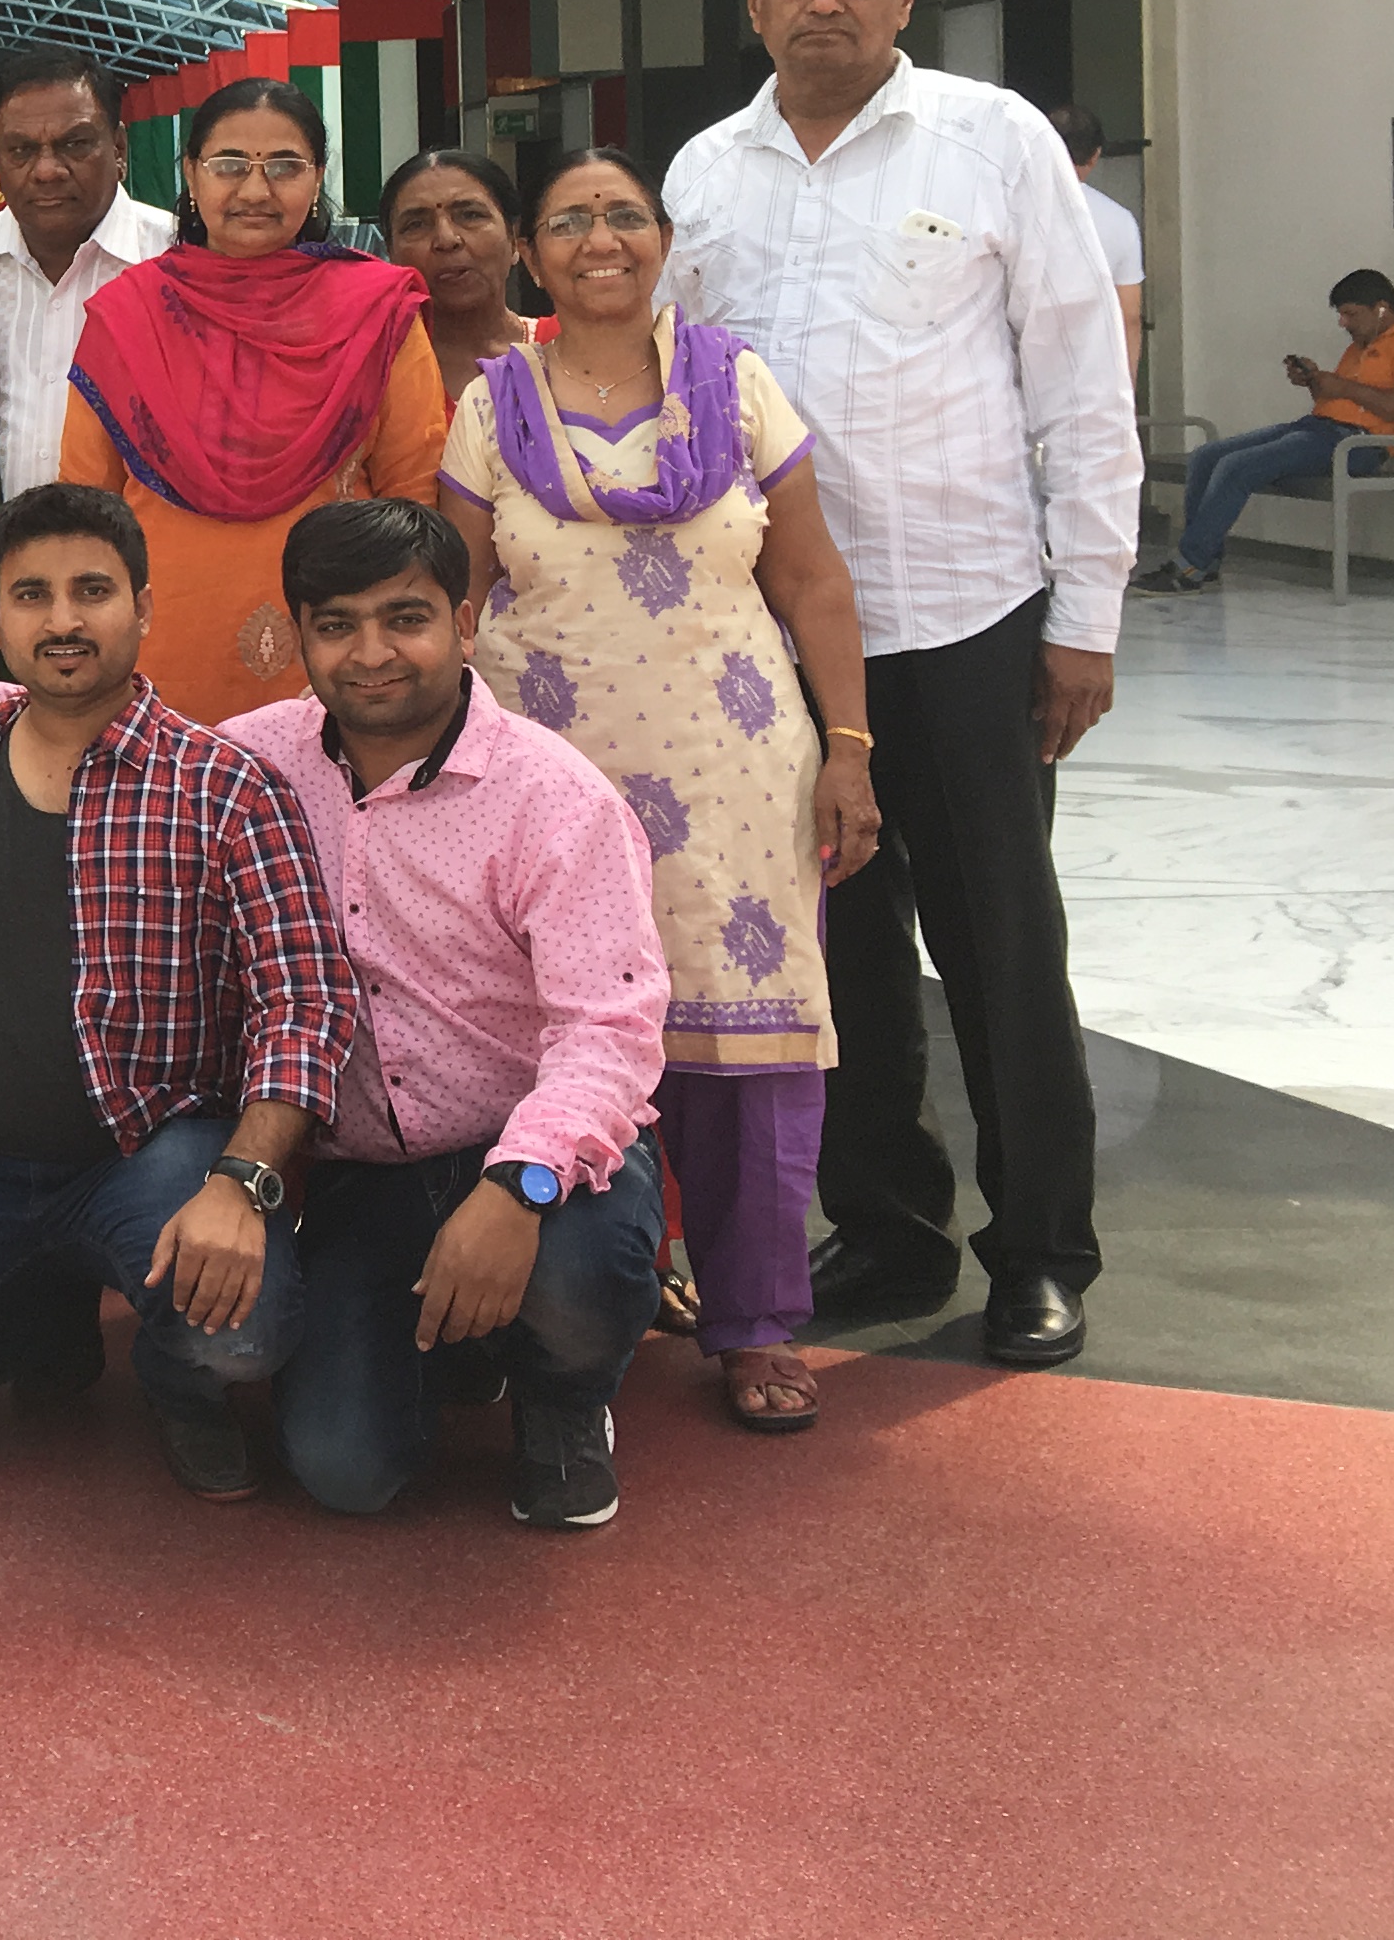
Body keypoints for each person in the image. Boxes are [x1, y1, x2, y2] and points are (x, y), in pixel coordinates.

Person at [662, 0, 1137, 1368]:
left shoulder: (991, 141)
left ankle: (1040, 1249)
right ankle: (885, 1227)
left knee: (1001, 945)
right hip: (778, 640)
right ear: (754, 2)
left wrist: (1087, 615)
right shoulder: (706, 172)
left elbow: (1081, 385)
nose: (825, 3)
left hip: (965, 614)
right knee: (840, 952)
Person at [0, 485, 352, 1500]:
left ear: (143, 606)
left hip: (152, 1158)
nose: (63, 621)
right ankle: (36, 1318)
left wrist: (241, 1184)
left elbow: (303, 1007)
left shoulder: (226, 788)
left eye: (92, 591)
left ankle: (176, 1380)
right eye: (31, 596)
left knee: (243, 1338)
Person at [438, 148, 877, 1427]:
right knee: (560, 1033)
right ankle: (590, 1289)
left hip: (734, 771)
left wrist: (851, 747)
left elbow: (812, 579)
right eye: (570, 220)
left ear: (665, 241)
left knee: (749, 1047)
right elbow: (454, 599)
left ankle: (754, 1322)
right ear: (533, 254)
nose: (601, 239)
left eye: (624, 215)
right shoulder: (492, 406)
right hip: (550, 781)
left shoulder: (736, 383)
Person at [223, 502, 670, 1527]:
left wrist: (519, 1187)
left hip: (540, 1166)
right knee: (344, 1472)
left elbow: (609, 1032)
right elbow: (130, 744)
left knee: (579, 1276)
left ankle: (565, 1400)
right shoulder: (259, 761)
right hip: (367, 1180)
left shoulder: (554, 798)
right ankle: (464, 1346)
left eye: (406, 618)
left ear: (464, 625)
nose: (372, 653)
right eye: (337, 625)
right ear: (301, 638)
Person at [60, 77, 446, 727]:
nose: (256, 190)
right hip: (160, 658)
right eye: (230, 164)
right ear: (190, 172)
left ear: (318, 176)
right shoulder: (128, 316)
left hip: (344, 658)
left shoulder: (378, 312)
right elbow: (84, 514)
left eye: (286, 166)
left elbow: (414, 500)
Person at [0, 49, 176, 491]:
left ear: (118, 148)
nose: (47, 171)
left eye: (74, 144)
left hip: (147, 534)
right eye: (21, 150)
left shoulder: (177, 260)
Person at [1135, 268, 1394, 592]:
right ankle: (1204, 563)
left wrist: (1344, 387)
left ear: (1381, 309)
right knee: (1206, 456)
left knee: (1236, 467)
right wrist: (1314, 381)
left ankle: (1189, 565)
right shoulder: (1361, 344)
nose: (1343, 323)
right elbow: (1341, 401)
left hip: (1356, 444)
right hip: (1317, 429)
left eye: (1350, 314)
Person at [381, 149, 537, 405]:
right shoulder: (373, 375)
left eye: (470, 215)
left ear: (513, 238)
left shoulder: (569, 351)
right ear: (390, 253)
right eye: (416, 224)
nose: (446, 239)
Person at [1047, 105, 1145, 380]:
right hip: (1090, 379)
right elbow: (1129, 317)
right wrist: (1127, 389)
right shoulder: (1120, 221)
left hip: (1014, 379)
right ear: (1096, 155)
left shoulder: (1009, 210)